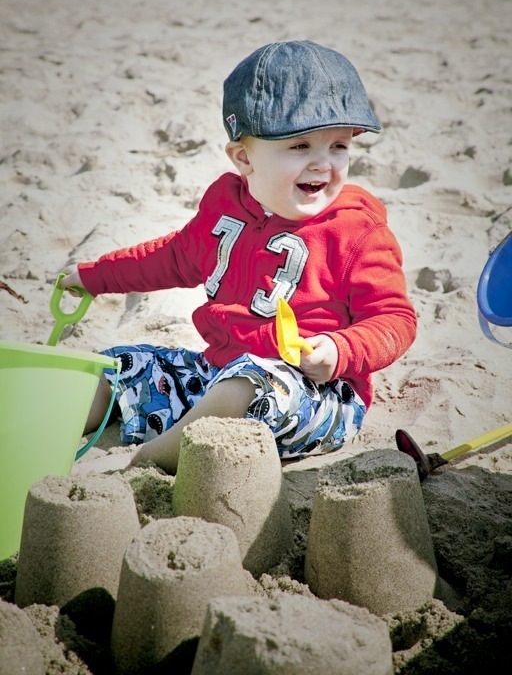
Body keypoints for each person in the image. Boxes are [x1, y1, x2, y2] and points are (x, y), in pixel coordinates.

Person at [62, 40, 417, 475]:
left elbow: (395, 319)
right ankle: (47, 428)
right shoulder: (224, 208)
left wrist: (340, 350)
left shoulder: (357, 231)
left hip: (313, 395)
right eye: (300, 146)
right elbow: (171, 257)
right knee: (117, 367)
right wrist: (94, 277)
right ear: (244, 157)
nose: (323, 164)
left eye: (339, 146)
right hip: (215, 372)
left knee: (244, 386)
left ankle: (146, 463)